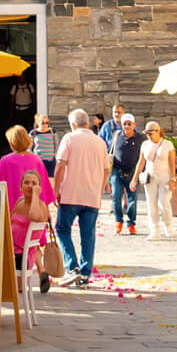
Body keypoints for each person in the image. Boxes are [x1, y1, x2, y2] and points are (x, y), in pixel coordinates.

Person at [52, 110, 108, 285]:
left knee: (62, 229)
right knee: (88, 235)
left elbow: (60, 165)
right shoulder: (100, 142)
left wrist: (55, 190)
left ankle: (72, 267)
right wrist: (100, 190)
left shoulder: (69, 138)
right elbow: (106, 170)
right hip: (92, 195)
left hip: (71, 194)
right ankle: (84, 274)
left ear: (73, 124)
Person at [0, 125, 55, 221]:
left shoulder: (5, 161)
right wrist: (46, 212)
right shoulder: (36, 160)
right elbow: (44, 189)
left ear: (12, 143)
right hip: (35, 212)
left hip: (13, 215)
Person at [10, 168, 53, 292]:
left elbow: (34, 216)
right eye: (26, 183)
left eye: (34, 183)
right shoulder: (19, 202)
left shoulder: (40, 206)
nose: (30, 186)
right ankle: (41, 270)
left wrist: (35, 195)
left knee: (19, 289)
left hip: (22, 255)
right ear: (20, 187)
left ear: (39, 188)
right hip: (15, 249)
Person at [140, 123, 176, 239]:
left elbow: (172, 163)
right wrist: (135, 178)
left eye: (151, 133)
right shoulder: (145, 144)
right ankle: (154, 229)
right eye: (147, 134)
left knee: (163, 202)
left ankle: (168, 225)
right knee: (151, 204)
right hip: (150, 177)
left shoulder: (167, 144)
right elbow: (141, 162)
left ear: (158, 131)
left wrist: (173, 179)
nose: (149, 136)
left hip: (165, 177)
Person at [109, 114, 143, 234]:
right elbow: (110, 151)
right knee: (116, 197)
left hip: (133, 173)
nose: (127, 126)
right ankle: (118, 221)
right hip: (117, 172)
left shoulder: (141, 138)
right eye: (125, 123)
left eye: (129, 123)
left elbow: (144, 156)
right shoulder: (116, 135)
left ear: (134, 124)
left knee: (132, 200)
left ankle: (131, 223)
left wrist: (141, 172)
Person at [30, 114, 57, 178]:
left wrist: (55, 154)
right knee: (39, 180)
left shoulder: (52, 131)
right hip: (38, 161)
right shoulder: (33, 133)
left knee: (51, 180)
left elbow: (56, 144)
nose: (45, 125)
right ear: (38, 123)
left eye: (47, 123)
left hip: (51, 160)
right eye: (43, 123)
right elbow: (29, 147)